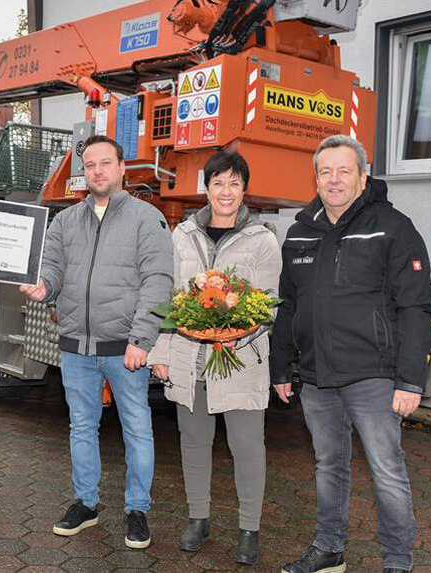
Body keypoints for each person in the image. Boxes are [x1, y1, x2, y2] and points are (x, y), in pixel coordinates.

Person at [271, 135, 431, 573]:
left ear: (363, 177)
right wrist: (281, 367)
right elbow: (288, 305)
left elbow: (416, 305)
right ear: (316, 179)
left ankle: (397, 563)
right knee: (329, 466)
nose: (334, 180)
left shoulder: (392, 226)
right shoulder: (300, 231)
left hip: (373, 375)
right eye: (325, 172)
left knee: (387, 471)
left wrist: (410, 380)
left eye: (344, 171)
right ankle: (329, 550)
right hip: (317, 377)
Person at [20, 135, 173, 549]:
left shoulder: (147, 218)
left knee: (137, 429)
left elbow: (158, 281)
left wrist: (142, 338)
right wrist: (44, 286)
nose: (98, 171)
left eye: (106, 163)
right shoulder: (66, 221)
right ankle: (86, 504)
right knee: (82, 427)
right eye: (90, 165)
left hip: (125, 349)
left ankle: (137, 509)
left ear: (122, 168)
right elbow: (52, 267)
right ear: (83, 173)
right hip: (76, 347)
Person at [149, 151, 280, 565]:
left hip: (240, 359)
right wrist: (161, 350)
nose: (226, 192)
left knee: (247, 446)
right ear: (206, 188)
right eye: (218, 183)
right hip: (189, 357)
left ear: (244, 190)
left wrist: (232, 332)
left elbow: (268, 306)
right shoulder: (183, 234)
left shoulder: (262, 239)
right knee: (193, 442)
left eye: (234, 184)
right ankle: (198, 518)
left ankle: (249, 528)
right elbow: (170, 296)